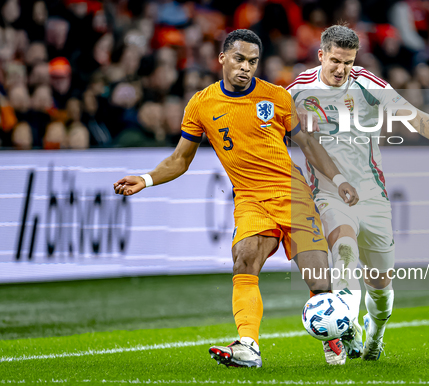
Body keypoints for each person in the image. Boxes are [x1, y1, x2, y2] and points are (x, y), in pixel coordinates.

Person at [113, 29, 359, 368]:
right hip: (250, 201)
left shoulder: (276, 97)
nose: (246, 67)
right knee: (244, 261)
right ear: (223, 59)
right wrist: (145, 178)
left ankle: (338, 333)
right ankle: (248, 345)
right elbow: (179, 160)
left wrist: (339, 179)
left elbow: (309, 145)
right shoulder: (201, 104)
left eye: (253, 61)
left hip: (293, 196)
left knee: (318, 283)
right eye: (240, 59)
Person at [287, 25, 429, 364]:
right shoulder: (297, 92)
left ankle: (375, 334)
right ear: (320, 56)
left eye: (347, 62)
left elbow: (413, 116)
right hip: (329, 193)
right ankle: (350, 331)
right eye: (334, 61)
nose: (341, 69)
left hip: (372, 196)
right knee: (343, 251)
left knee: (381, 286)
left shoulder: (367, 85)